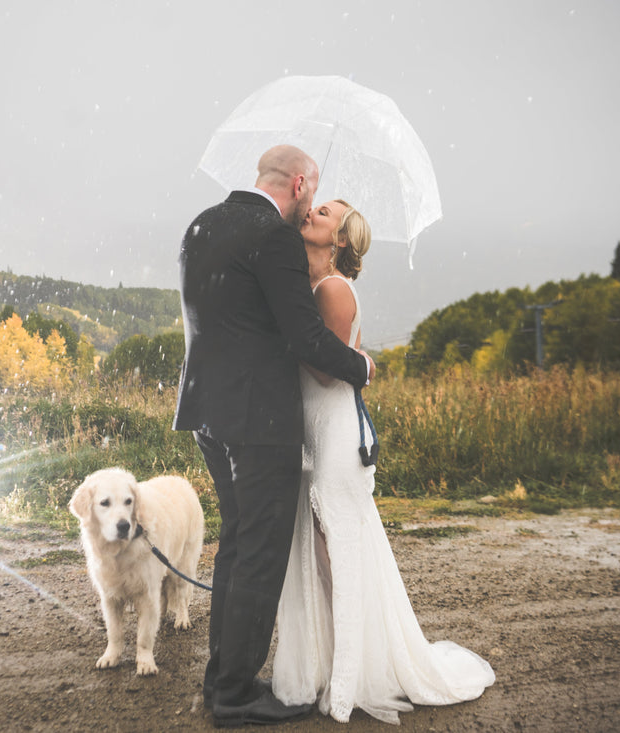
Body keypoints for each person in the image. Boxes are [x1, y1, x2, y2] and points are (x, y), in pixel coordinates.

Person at [271, 199, 496, 724]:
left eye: (323, 213)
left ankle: (348, 678)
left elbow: (326, 371)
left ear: (341, 240)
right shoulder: (312, 287)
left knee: (335, 551)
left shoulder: (330, 289)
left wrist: (284, 331)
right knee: (322, 549)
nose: (311, 213)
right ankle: (331, 666)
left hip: (334, 433)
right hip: (314, 428)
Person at [173, 145, 375, 727]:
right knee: (260, 554)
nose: (311, 205)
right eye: (313, 193)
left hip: (207, 412)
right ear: (300, 184)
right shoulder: (274, 236)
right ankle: (235, 694)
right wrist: (362, 368)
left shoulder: (202, 223)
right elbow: (304, 341)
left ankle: (222, 679)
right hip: (259, 419)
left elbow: (218, 319)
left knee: (237, 545)